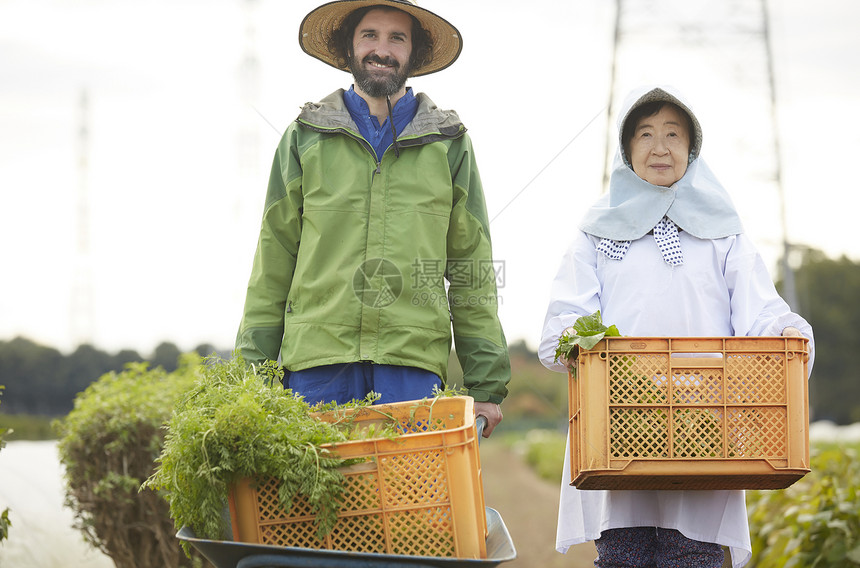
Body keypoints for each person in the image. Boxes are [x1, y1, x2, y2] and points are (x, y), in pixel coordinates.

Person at [538, 85, 814, 567]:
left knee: (694, 553)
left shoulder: (723, 230)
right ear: (627, 150)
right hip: (619, 423)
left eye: (673, 134)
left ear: (692, 149)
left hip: (703, 422)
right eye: (645, 134)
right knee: (624, 553)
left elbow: (761, 315)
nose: (659, 147)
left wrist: (788, 333)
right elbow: (565, 317)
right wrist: (577, 340)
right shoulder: (597, 230)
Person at [235, 0, 510, 435]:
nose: (382, 49)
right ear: (349, 47)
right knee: (315, 502)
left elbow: (470, 267)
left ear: (413, 54)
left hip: (412, 365)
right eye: (370, 35)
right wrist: (250, 376)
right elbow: (273, 260)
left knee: (410, 502)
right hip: (316, 366)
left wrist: (487, 384)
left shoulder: (449, 145)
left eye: (396, 38)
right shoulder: (304, 137)